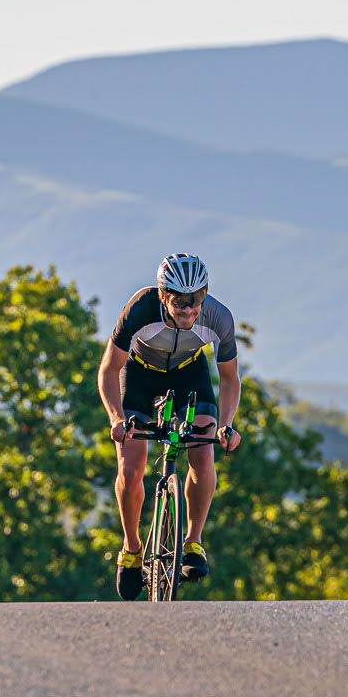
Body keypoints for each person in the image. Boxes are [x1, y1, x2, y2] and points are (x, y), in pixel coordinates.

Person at [99, 252, 243, 599]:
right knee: (131, 468)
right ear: (164, 296)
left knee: (203, 452)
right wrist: (117, 418)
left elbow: (229, 379)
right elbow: (107, 371)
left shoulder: (218, 318)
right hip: (138, 375)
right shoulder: (140, 309)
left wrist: (226, 425)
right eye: (181, 303)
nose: (189, 311)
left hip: (188, 375)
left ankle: (192, 543)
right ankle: (131, 550)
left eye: (196, 302)